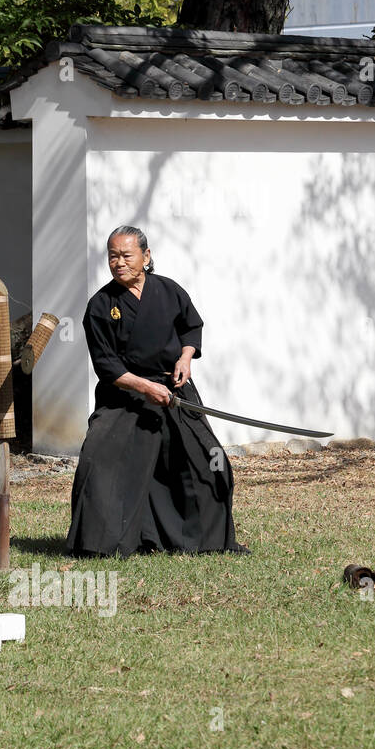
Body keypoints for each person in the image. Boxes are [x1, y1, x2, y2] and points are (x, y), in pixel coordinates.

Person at [65, 226, 248, 556]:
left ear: (146, 257)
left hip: (175, 390)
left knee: (209, 460)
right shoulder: (100, 305)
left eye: (126, 255)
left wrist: (186, 358)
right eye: (112, 257)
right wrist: (144, 386)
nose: (118, 263)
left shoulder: (169, 291)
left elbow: (191, 327)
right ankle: (102, 544)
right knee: (98, 461)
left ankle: (202, 540)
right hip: (124, 395)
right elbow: (106, 365)